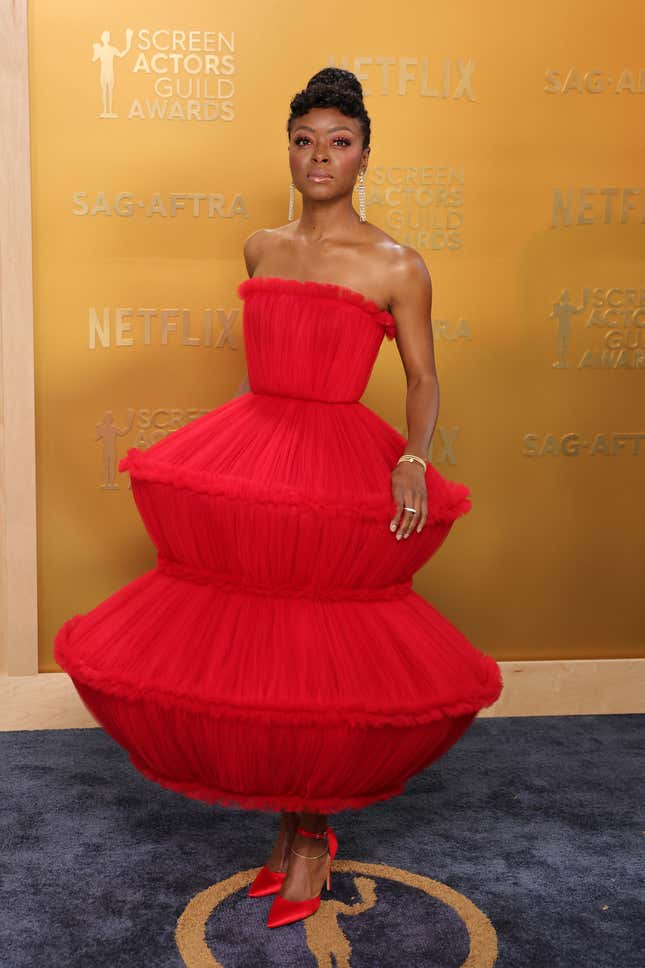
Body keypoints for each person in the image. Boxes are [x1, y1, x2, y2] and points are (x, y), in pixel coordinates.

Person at [54, 67, 503, 931]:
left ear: (365, 154)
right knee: (266, 656)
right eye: (305, 141)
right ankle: (289, 832)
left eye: (338, 141)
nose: (319, 156)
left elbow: (421, 376)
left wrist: (413, 458)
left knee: (317, 652)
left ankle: (310, 838)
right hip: (257, 453)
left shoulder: (396, 263)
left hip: (338, 463)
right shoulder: (261, 246)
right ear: (288, 151)